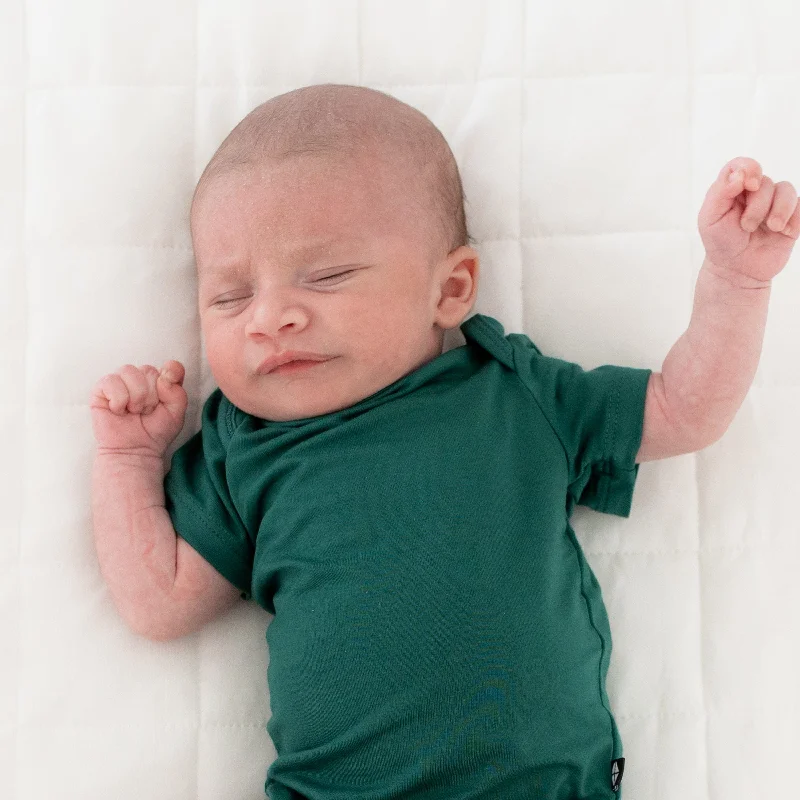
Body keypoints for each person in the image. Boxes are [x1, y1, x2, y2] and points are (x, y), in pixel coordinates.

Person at [89, 84, 798, 799]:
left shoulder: (514, 394)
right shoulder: (242, 447)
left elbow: (686, 409)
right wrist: (125, 458)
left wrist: (736, 284)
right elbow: (160, 601)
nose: (270, 317)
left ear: (451, 289)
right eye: (229, 297)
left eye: (327, 276)